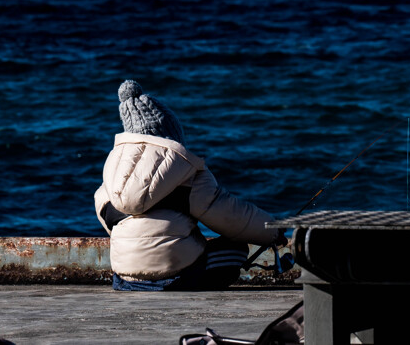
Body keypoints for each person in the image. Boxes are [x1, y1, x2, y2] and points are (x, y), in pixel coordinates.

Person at [95, 79, 284, 291]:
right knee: (235, 249)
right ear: (170, 137)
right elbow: (232, 217)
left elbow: (109, 222)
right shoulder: (187, 173)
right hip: (178, 278)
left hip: (125, 280)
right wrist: (273, 231)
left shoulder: (111, 177)